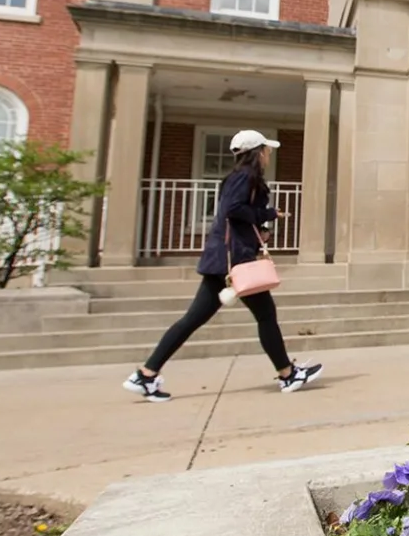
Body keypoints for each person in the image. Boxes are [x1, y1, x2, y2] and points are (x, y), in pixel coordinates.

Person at [123, 130, 322, 402]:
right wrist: (268, 213)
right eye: (266, 150)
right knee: (265, 316)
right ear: (257, 152)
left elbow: (235, 215)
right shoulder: (245, 178)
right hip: (234, 261)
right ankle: (288, 375)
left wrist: (259, 229)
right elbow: (234, 209)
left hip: (222, 260)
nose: (268, 154)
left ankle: (146, 374)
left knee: (193, 319)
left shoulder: (237, 178)